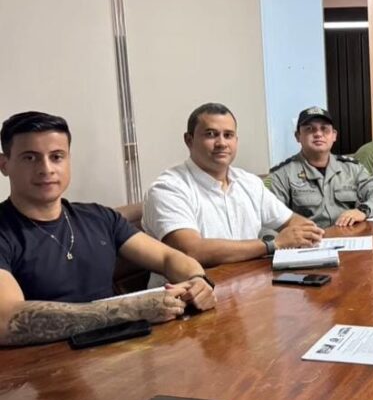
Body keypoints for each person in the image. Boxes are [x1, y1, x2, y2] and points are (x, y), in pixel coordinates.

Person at [0, 112, 216, 347]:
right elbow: (6, 320)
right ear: (4, 164)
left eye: (57, 157)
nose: (46, 169)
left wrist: (197, 281)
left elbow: (168, 258)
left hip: (118, 353)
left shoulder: (99, 217)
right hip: (41, 364)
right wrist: (129, 310)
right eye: (30, 158)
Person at [142, 103, 324, 275]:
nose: (222, 143)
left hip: (250, 284)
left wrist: (309, 233)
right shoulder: (168, 188)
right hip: (194, 292)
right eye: (211, 134)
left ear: (236, 141)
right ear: (189, 140)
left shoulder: (249, 182)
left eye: (228, 135)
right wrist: (272, 244)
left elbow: (292, 220)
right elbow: (191, 251)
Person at [267, 106, 373, 228]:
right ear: (298, 136)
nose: (318, 134)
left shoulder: (352, 168)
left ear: (334, 136)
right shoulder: (280, 175)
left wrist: (362, 210)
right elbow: (268, 220)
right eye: (309, 129)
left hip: (349, 237)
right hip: (307, 240)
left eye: (324, 129)